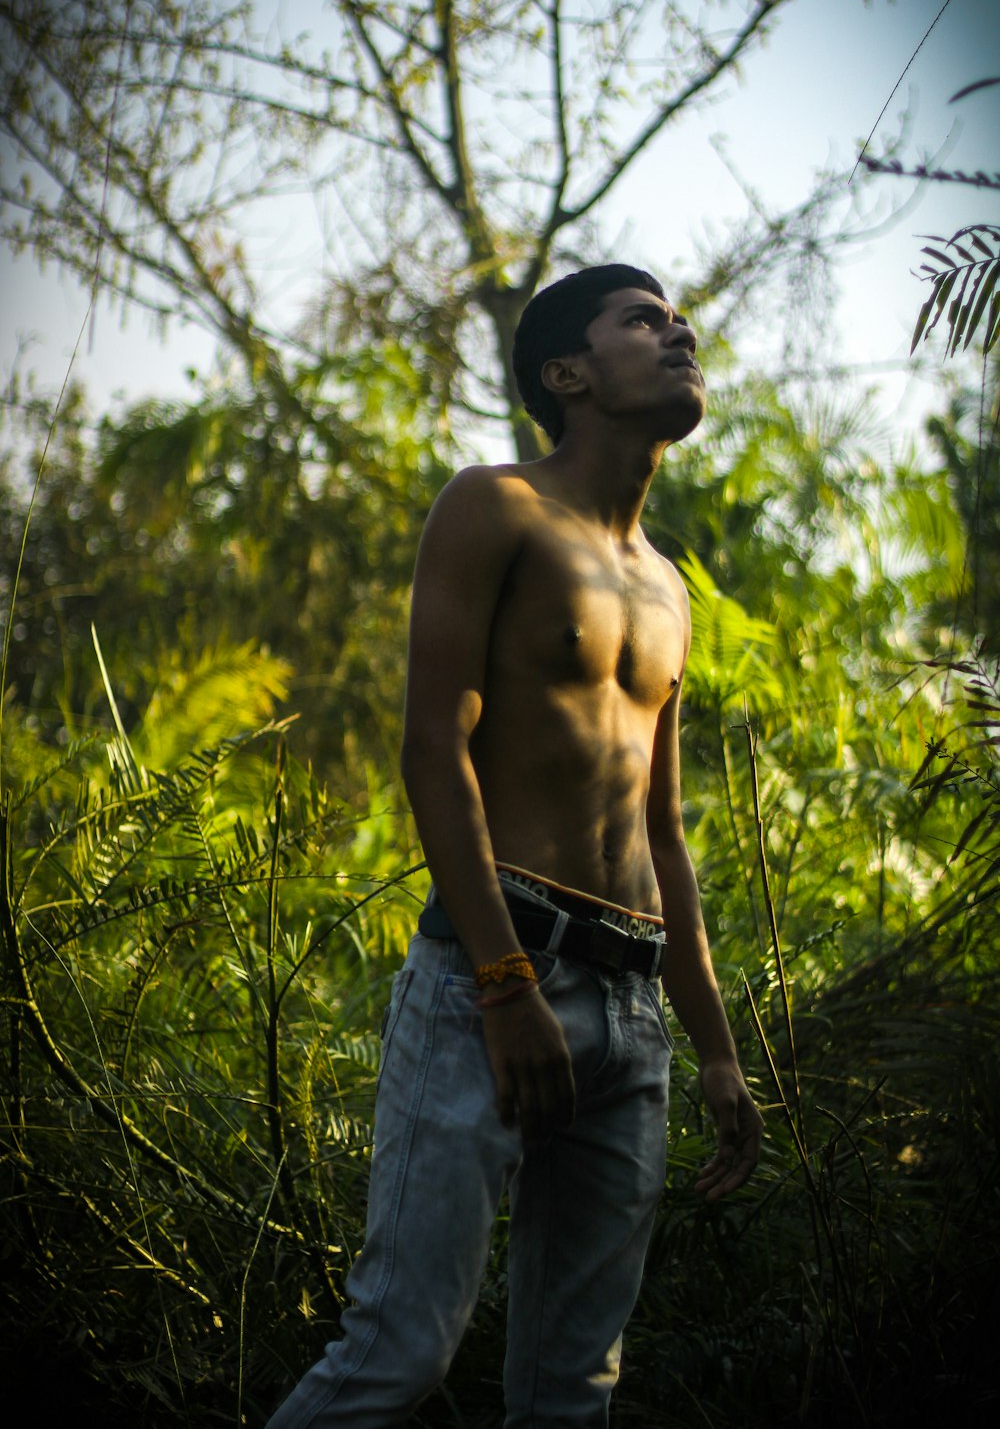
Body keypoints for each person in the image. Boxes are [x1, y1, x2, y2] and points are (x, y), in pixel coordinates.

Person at [266, 263, 763, 1429]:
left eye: (678, 317)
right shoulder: (494, 506)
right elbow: (431, 750)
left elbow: (664, 834)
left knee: (571, 1394)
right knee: (398, 1358)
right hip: (491, 981)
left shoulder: (669, 588)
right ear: (567, 373)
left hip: (631, 1014)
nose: (676, 331)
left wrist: (718, 1050)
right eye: (642, 319)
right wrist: (502, 982)